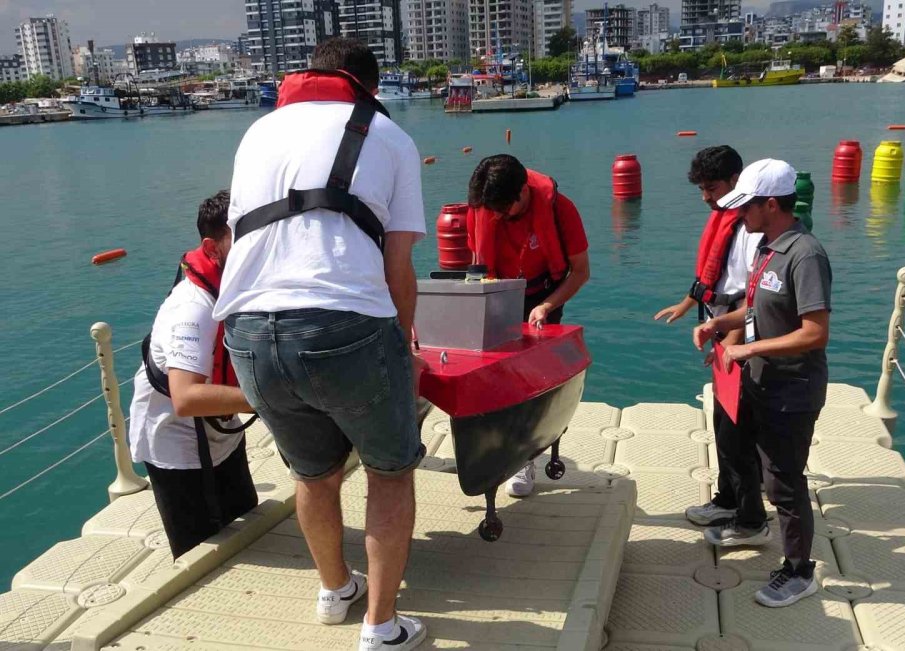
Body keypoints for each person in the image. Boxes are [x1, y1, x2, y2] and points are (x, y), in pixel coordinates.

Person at [214, 38, 428, 650]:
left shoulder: (258, 131)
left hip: (249, 331)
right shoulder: (388, 136)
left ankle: (335, 590)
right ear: (369, 86)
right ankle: (381, 629)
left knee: (314, 475)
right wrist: (404, 346)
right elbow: (398, 265)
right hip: (343, 325)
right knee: (389, 474)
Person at [693, 158, 832, 608]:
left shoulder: (805, 255)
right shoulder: (765, 248)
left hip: (791, 389)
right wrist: (718, 325)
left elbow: (814, 331)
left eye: (746, 207)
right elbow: (756, 311)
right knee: (745, 456)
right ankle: (749, 520)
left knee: (785, 483)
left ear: (771, 205)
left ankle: (799, 570)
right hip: (759, 382)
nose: (739, 215)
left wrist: (748, 350)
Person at [128, 190, 258, 560]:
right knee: (202, 556)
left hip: (222, 435)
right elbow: (185, 398)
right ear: (211, 247)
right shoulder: (192, 309)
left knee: (248, 532)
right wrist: (273, 399)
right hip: (178, 450)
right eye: (242, 239)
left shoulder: (235, 289)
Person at [654, 146, 765, 533]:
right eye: (701, 189)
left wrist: (730, 345)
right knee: (724, 423)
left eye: (712, 187)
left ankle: (751, 519)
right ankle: (728, 499)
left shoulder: (750, 229)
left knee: (737, 431)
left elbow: (753, 297)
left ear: (736, 180)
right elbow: (713, 276)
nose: (706, 197)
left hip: (741, 337)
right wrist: (688, 304)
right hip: (723, 332)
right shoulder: (725, 218)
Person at [466, 154, 590, 498]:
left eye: (503, 210)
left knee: (531, 382)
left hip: (544, 297)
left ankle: (524, 458)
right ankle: (491, 449)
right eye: (491, 211)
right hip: (497, 294)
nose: (497, 217)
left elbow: (581, 272)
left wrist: (548, 306)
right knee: (491, 379)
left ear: (523, 192)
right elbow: (473, 266)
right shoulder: (483, 209)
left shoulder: (560, 209)